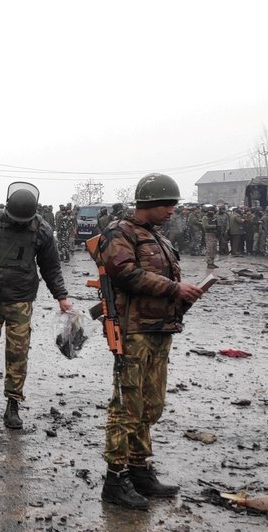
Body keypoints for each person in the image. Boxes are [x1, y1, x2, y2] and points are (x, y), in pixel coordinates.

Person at [95, 173, 204, 510]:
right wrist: (174, 289)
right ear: (148, 204)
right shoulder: (121, 233)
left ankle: (140, 469)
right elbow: (124, 272)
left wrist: (183, 295)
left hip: (160, 327)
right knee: (127, 405)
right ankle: (116, 478)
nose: (172, 210)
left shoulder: (157, 237)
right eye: (167, 204)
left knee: (151, 404)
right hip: (134, 330)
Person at [0, 182, 72, 429]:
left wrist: (61, 296)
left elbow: (51, 266)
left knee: (17, 354)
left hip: (21, 300)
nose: (19, 224)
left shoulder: (42, 230)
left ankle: (13, 403)